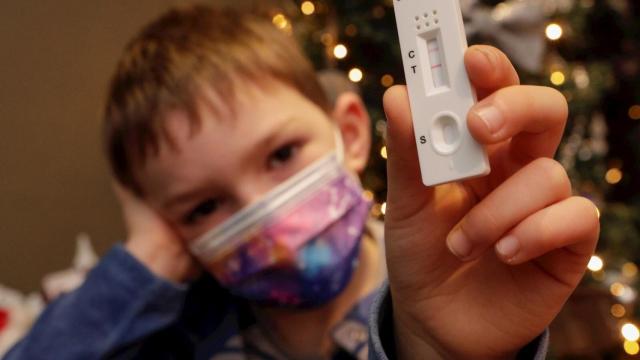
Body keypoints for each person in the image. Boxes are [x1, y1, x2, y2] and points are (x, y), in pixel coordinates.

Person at [4, 4, 599, 360]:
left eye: (282, 154)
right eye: (205, 205)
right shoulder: (183, 333)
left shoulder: (463, 284)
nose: (274, 229)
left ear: (350, 133)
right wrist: (147, 258)